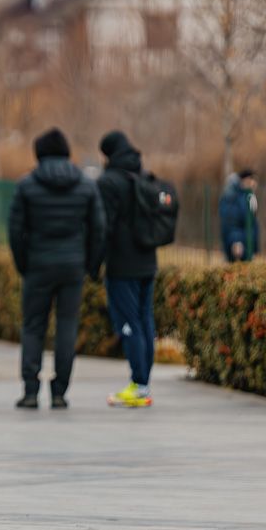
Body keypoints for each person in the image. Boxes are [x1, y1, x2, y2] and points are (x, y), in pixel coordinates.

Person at [8, 128, 105, 409]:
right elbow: (99, 229)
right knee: (67, 327)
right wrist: (91, 265)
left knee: (33, 327)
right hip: (73, 266)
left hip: (37, 266)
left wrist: (23, 263)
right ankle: (60, 392)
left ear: (39, 154)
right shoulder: (86, 186)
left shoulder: (27, 186)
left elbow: (15, 231)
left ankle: (30, 391)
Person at [96, 131, 156, 408]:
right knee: (145, 321)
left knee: (129, 324)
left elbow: (102, 228)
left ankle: (139, 385)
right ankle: (143, 382)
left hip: (122, 265)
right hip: (147, 262)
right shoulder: (142, 175)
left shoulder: (109, 182)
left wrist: (94, 264)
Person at [219, 169, 259, 262]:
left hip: (248, 244)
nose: (254, 184)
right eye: (252, 180)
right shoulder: (232, 196)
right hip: (239, 246)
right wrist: (236, 241)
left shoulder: (248, 196)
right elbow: (231, 221)